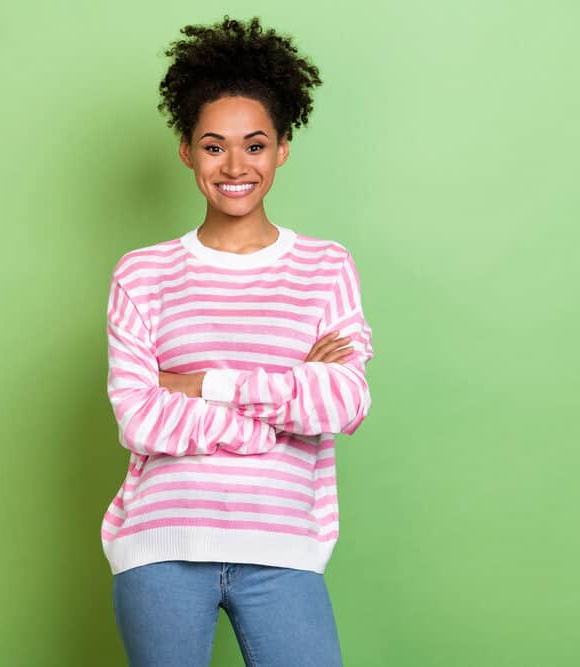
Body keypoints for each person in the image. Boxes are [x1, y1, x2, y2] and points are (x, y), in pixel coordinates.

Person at [100, 16, 373, 667]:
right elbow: (138, 414)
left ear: (282, 147)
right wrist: (279, 411)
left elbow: (342, 403)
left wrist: (204, 383)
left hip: (284, 549)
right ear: (187, 151)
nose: (235, 165)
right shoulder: (143, 273)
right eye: (214, 145)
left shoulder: (325, 267)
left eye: (254, 144)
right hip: (160, 544)